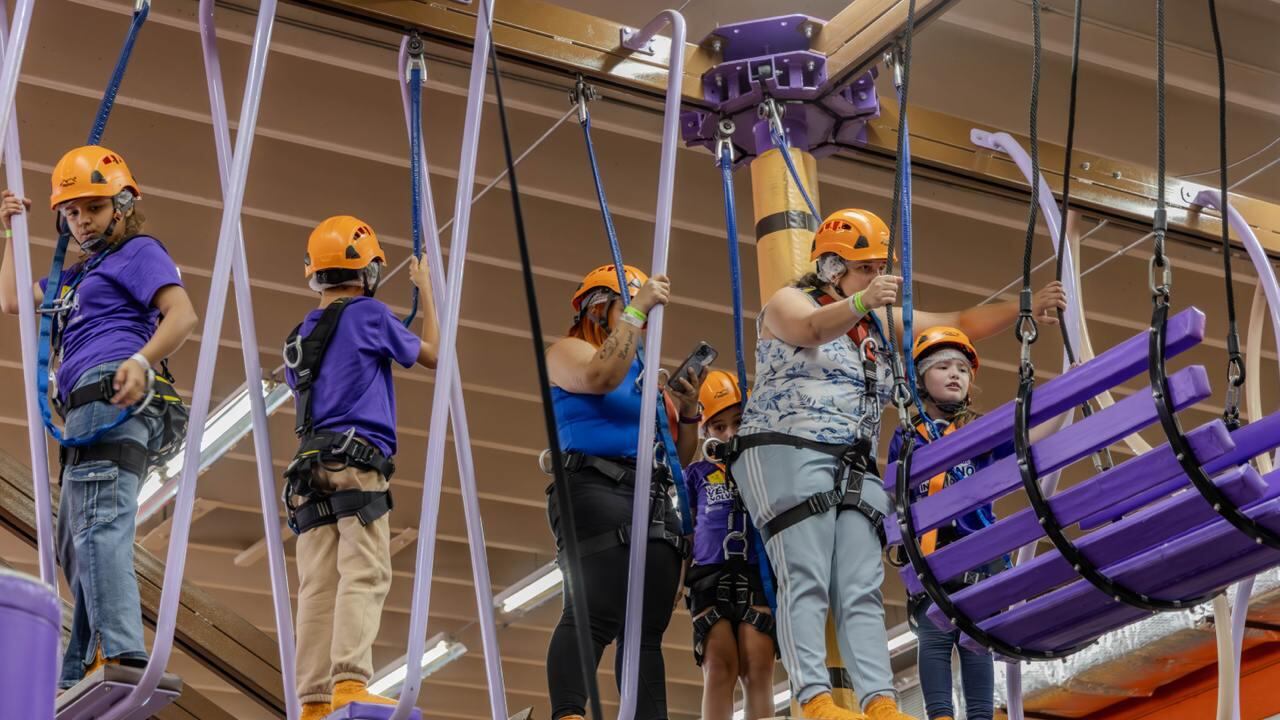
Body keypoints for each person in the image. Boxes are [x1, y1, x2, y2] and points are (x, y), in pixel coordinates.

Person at [727, 208, 1067, 720]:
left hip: (851, 463)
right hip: (786, 447)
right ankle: (815, 698)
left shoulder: (878, 327)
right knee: (806, 573)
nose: (875, 277)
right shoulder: (788, 302)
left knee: (861, 586)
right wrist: (864, 300)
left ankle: (879, 703)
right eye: (865, 267)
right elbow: (812, 327)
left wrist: (1026, 308)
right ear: (831, 267)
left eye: (877, 268)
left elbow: (960, 323)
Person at [0, 146, 199, 690]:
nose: (82, 220)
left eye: (92, 207)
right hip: (84, 407)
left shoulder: (137, 252)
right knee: (74, 535)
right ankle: (86, 658)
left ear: (123, 203)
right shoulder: (73, 276)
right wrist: (11, 233)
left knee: (96, 524)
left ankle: (120, 648)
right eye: (71, 212)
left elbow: (182, 313)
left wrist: (141, 360)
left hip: (112, 390)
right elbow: (13, 300)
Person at [281, 215, 438, 720]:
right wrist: (427, 292)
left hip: (309, 468)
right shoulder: (369, 314)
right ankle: (349, 680)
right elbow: (432, 354)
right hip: (357, 461)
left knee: (317, 586)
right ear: (368, 271)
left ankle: (312, 700)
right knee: (364, 571)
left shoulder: (299, 335)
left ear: (312, 271)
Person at [544, 264, 704, 720]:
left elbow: (677, 454)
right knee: (593, 611)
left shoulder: (645, 375)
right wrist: (636, 311)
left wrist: (687, 410)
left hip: (649, 497)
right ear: (601, 306)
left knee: (644, 631)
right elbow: (597, 379)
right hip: (595, 485)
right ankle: (570, 712)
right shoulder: (569, 351)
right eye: (629, 306)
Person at [885, 327, 1059, 720]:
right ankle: (941, 715)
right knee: (935, 634)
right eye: (942, 367)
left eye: (962, 369)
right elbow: (896, 486)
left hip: (978, 553)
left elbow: (1024, 441)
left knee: (976, 640)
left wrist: (1064, 406)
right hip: (933, 554)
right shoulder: (910, 437)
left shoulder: (976, 433)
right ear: (921, 382)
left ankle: (980, 716)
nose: (954, 375)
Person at [684, 370, 776, 720]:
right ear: (706, 432)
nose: (730, 433)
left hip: (758, 574)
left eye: (738, 423)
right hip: (708, 576)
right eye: (719, 427)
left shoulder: (764, 467)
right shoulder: (697, 475)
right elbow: (688, 530)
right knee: (719, 667)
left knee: (757, 670)